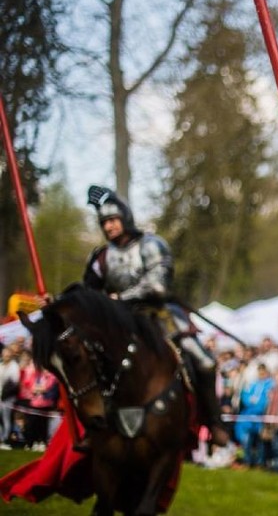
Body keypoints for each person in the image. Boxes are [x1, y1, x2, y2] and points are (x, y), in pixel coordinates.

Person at [82, 185, 229, 448]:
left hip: (158, 315)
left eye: (113, 220)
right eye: (104, 222)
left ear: (125, 218)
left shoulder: (151, 245)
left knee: (205, 363)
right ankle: (92, 427)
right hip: (118, 322)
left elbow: (158, 286)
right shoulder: (101, 258)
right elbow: (88, 294)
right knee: (85, 364)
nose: (109, 227)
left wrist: (119, 298)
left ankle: (213, 422)